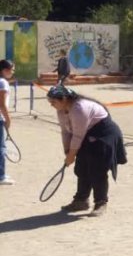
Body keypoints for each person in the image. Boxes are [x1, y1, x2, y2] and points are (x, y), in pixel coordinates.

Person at [47, 86, 127, 216]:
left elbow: (78, 136)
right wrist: (67, 151)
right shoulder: (61, 110)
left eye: (53, 102)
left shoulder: (79, 109)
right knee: (82, 168)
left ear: (64, 99)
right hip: (87, 135)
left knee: (97, 170)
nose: (51, 105)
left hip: (103, 135)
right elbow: (65, 132)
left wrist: (72, 155)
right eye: (50, 102)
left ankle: (101, 203)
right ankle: (81, 201)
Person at [0, 60, 14, 186]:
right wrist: (8, 119)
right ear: (5, 70)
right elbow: (2, 104)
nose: (13, 72)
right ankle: (1, 176)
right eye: (12, 69)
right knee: (1, 148)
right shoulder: (3, 82)